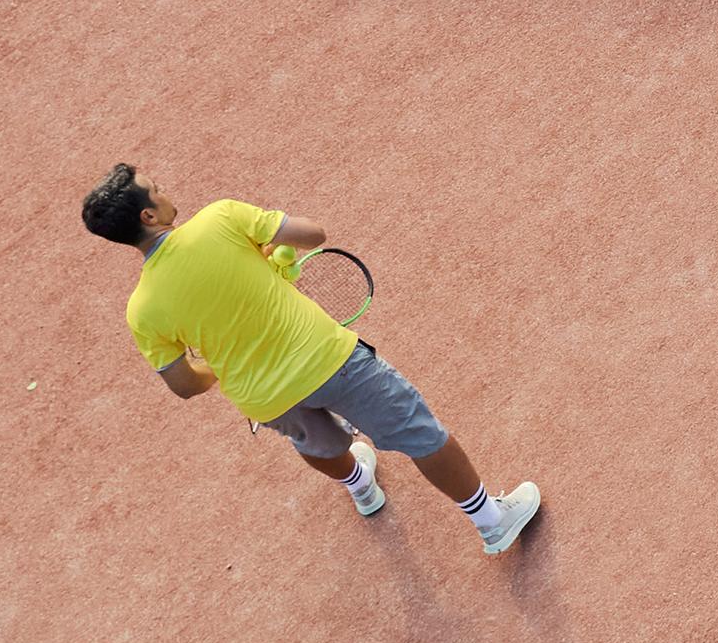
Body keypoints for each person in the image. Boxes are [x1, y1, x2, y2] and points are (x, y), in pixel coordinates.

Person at [85, 166, 542, 555]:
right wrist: (266, 253)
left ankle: (361, 486)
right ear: (148, 215)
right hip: (330, 360)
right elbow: (312, 234)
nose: (166, 192)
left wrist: (220, 370)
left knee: (318, 445)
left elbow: (185, 383)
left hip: (265, 400)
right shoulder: (220, 218)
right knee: (423, 435)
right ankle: (491, 521)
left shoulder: (141, 310)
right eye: (157, 189)